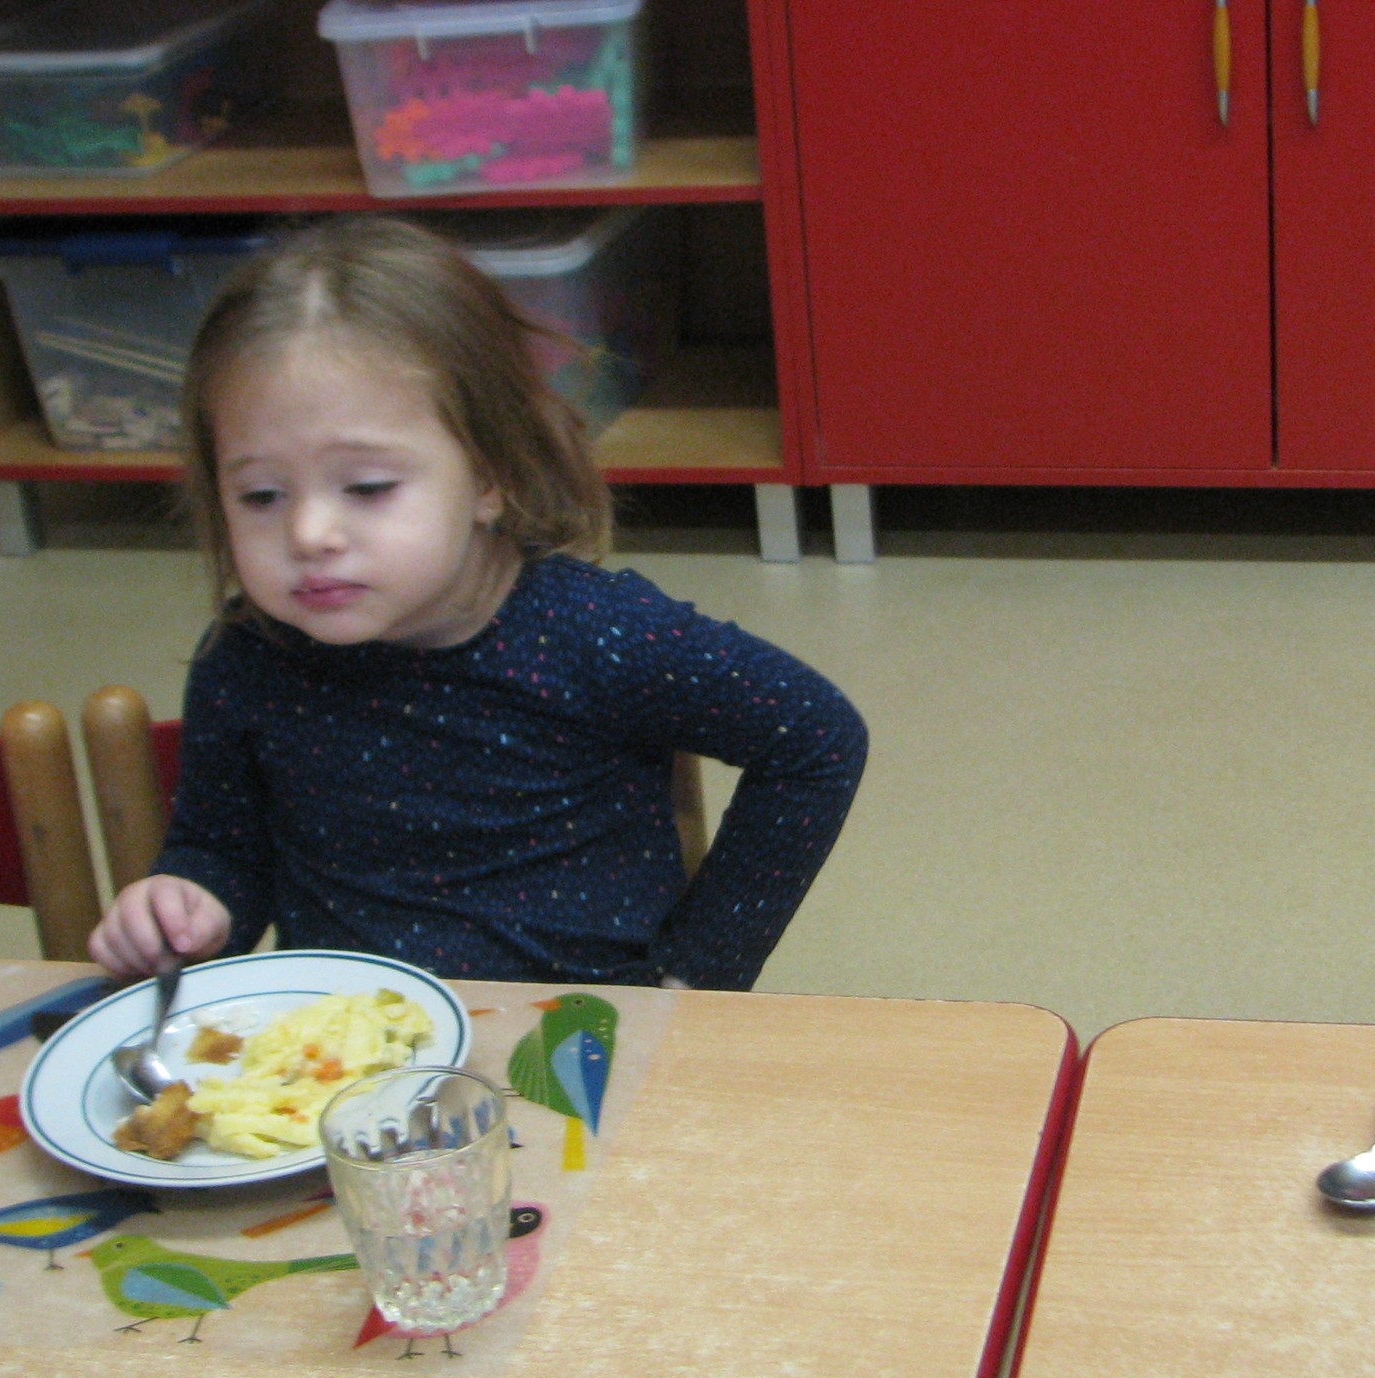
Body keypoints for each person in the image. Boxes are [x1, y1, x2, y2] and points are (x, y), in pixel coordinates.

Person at [87, 216, 865, 990]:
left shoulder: (595, 633)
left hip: (578, 1039)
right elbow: (223, 852)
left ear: (493, 475)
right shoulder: (247, 656)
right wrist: (190, 906)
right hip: (346, 1042)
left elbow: (816, 741)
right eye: (260, 494)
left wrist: (699, 971)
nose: (308, 533)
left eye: (368, 487)